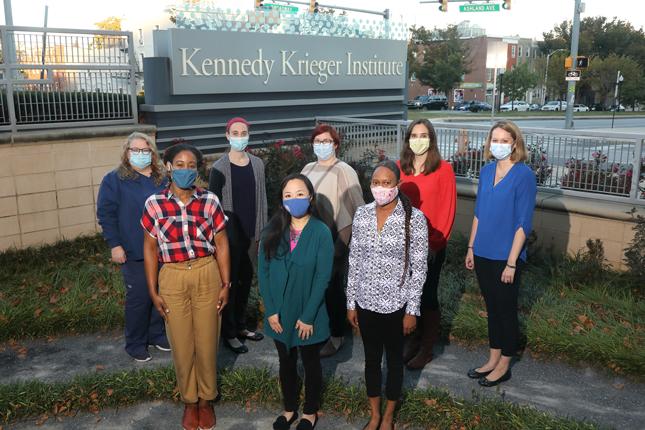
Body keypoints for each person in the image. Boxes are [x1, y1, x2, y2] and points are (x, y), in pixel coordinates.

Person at [141, 143, 231, 430]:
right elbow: (150, 249)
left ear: (198, 169)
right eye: (179, 164)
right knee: (181, 344)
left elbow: (222, 244)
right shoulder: (154, 203)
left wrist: (226, 283)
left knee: (206, 342)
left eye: (191, 165)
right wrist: (153, 290)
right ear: (168, 167)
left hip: (206, 272)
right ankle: (189, 401)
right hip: (173, 277)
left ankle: (206, 400)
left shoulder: (210, 201)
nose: (185, 170)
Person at [347, 160, 428, 430]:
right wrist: (351, 303)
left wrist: (412, 310)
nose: (380, 188)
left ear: (397, 185)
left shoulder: (414, 219)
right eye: (376, 183)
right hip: (365, 301)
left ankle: (390, 415)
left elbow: (419, 268)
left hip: (397, 305)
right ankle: (374, 414)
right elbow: (354, 260)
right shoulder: (362, 214)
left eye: (386, 183)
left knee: (394, 362)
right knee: (371, 360)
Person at [258, 173, 334, 430]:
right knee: (286, 362)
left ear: (310, 197)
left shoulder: (321, 232)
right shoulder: (272, 231)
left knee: (311, 363)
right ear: (281, 200)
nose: (295, 199)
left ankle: (310, 411)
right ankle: (289, 408)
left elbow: (323, 277)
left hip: (308, 313)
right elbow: (264, 273)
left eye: (300, 194)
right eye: (288, 195)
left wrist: (308, 315)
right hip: (279, 314)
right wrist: (271, 310)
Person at [464, 120, 537, 387]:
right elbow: (478, 214)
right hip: (482, 252)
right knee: (492, 309)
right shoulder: (486, 171)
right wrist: (471, 247)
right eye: (494, 139)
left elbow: (523, 223)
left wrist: (511, 262)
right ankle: (492, 358)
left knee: (506, 310)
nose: (498, 145)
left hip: (506, 258)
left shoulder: (524, 175)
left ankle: (505, 363)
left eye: (504, 140)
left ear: (515, 143)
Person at [96, 131, 170, 362]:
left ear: (152, 153)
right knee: (139, 298)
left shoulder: (162, 178)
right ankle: (136, 343)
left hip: (163, 250)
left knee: (160, 293)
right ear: (127, 153)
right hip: (134, 250)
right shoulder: (114, 180)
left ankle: (156, 334)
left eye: (145, 150)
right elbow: (106, 214)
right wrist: (115, 245)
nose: (140, 154)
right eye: (135, 150)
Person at [397, 118, 457, 370]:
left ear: (431, 139)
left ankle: (427, 347)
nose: (418, 140)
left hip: (430, 244)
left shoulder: (443, 169)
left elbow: (447, 209)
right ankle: (412, 339)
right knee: (407, 293)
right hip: (401, 243)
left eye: (423, 135)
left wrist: (434, 243)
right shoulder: (401, 168)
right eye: (414, 135)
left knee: (426, 294)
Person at [301, 124, 364, 358]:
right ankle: (317, 329)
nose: (322, 145)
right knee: (313, 287)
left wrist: (344, 244)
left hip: (336, 238)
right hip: (309, 239)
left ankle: (337, 336)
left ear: (336, 144)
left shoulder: (343, 170)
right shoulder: (307, 168)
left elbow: (357, 206)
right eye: (317, 141)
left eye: (327, 141)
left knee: (332, 288)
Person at [209, 117, 267, 354]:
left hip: (251, 234)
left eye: (244, 132)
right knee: (229, 284)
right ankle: (229, 332)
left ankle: (241, 326)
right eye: (235, 132)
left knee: (245, 282)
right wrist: (216, 238)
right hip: (229, 237)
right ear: (227, 135)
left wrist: (262, 232)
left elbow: (262, 198)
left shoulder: (257, 163)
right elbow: (211, 205)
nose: (240, 136)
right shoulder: (219, 168)